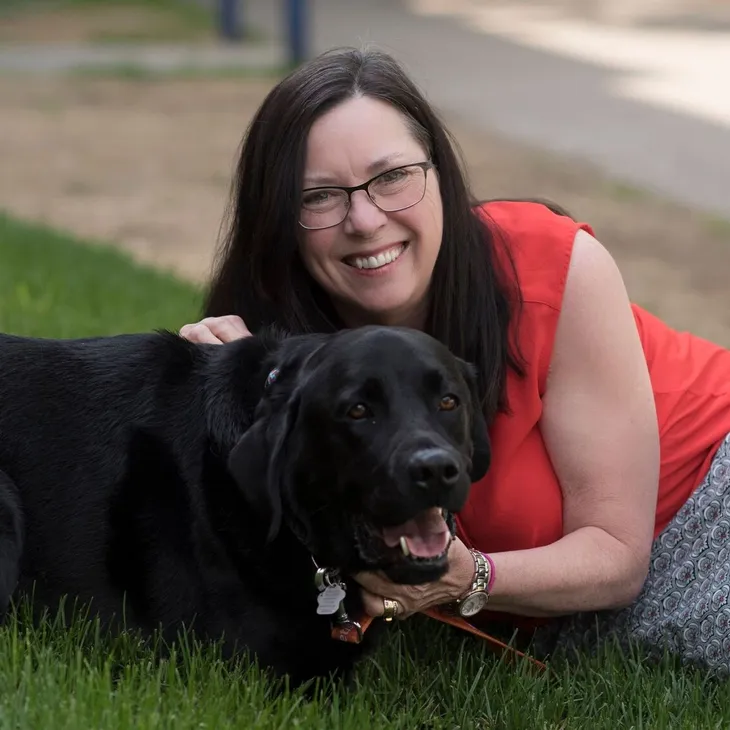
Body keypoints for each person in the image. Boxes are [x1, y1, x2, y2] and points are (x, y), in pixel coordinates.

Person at [179, 46, 730, 673]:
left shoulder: (545, 266)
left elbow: (616, 554)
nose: (365, 219)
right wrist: (223, 392)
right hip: (558, 609)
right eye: (321, 197)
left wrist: (469, 580)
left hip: (704, 491)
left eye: (392, 178)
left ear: (439, 173)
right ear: (278, 219)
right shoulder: (283, 360)